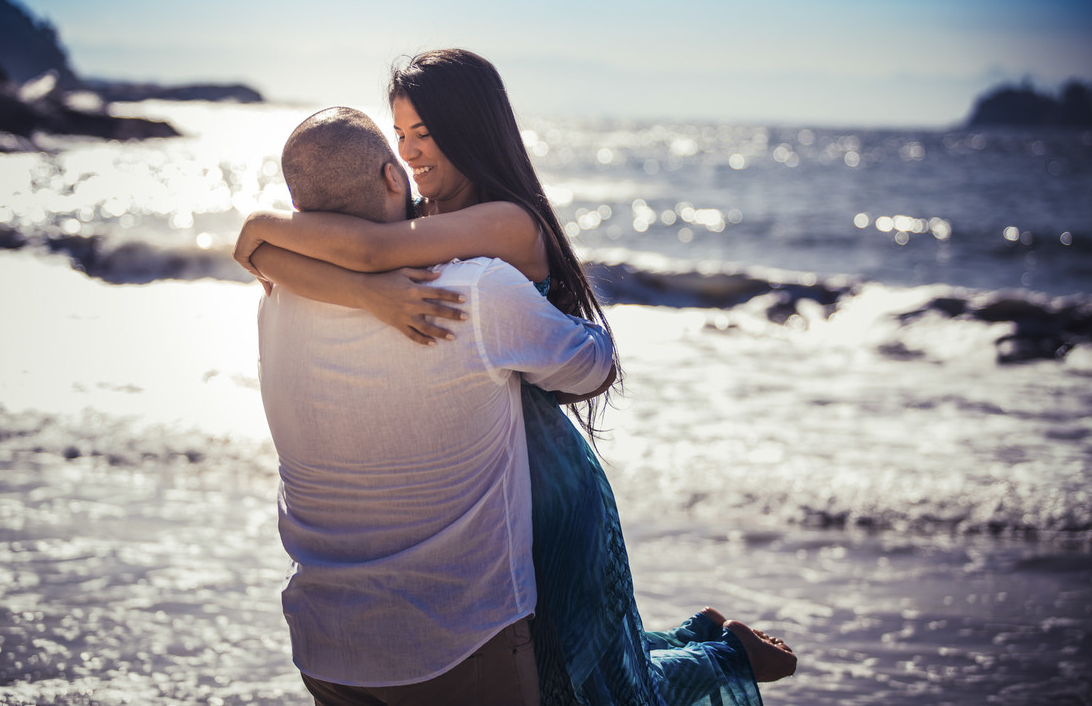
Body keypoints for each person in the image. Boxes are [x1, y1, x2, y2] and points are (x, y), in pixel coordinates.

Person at [237, 50, 796, 705]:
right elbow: (279, 256)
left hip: (539, 468)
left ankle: (722, 654)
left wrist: (272, 237)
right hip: (480, 460)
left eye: (427, 132)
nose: (413, 153)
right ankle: (705, 637)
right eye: (403, 135)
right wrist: (368, 296)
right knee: (575, 668)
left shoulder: (505, 223)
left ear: (471, 127)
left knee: (597, 680)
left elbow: (365, 249)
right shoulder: (416, 216)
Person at [256, 105, 617, 706]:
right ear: (394, 178)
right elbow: (591, 368)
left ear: (298, 211)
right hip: (456, 642)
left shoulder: (275, 300)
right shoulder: (476, 290)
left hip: (326, 643)